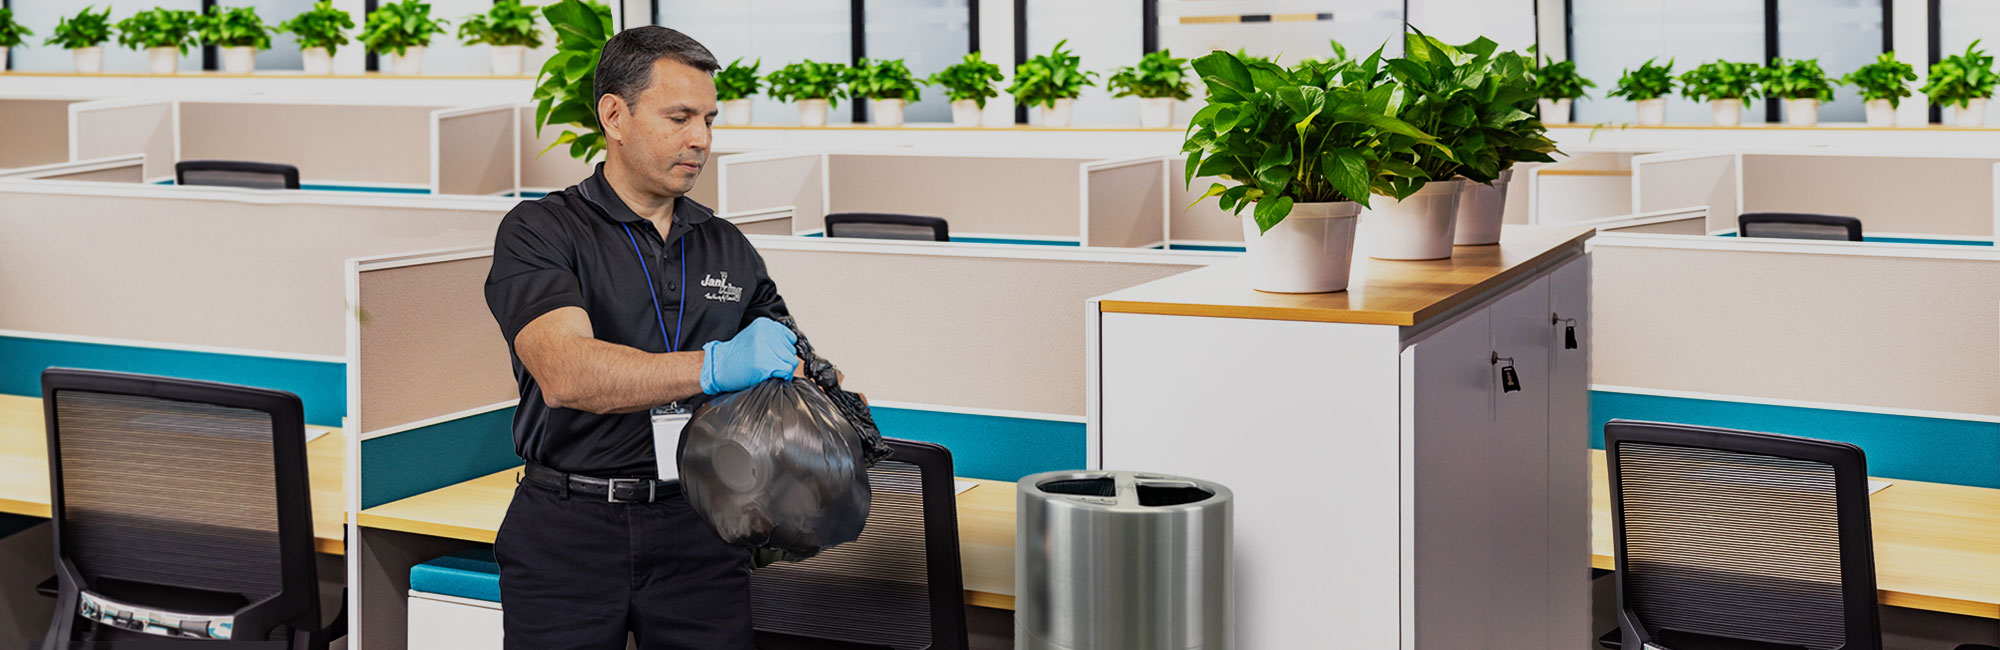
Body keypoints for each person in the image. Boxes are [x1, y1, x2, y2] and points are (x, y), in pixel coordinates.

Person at [482, 25, 798, 650]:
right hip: (570, 529)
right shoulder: (542, 231)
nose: (701, 139)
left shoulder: (725, 244)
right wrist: (714, 366)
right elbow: (566, 373)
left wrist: (822, 396)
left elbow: (786, 366)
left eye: (709, 120)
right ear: (614, 116)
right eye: (679, 117)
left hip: (701, 528)